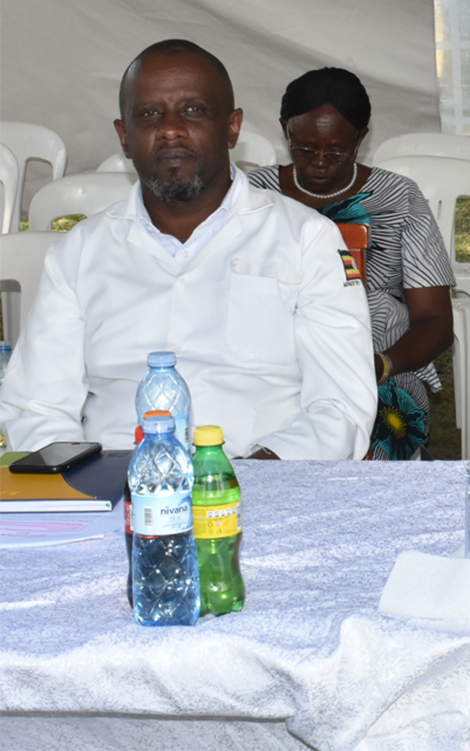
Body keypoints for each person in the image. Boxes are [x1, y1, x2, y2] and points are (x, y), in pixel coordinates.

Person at [0, 41, 376, 459]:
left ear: (232, 128)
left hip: (265, 486)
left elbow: (341, 407)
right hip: (113, 492)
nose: (171, 128)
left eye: (194, 110)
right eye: (149, 114)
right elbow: (36, 407)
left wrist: (239, 482)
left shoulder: (307, 240)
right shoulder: (79, 253)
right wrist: (88, 488)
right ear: (125, 138)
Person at [248, 68, 455, 460]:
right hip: (267, 371)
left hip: (376, 371)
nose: (320, 163)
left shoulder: (398, 199)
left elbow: (436, 322)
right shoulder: (250, 195)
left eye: (337, 151)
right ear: (284, 130)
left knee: (363, 449)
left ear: (361, 137)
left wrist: (379, 366)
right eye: (305, 149)